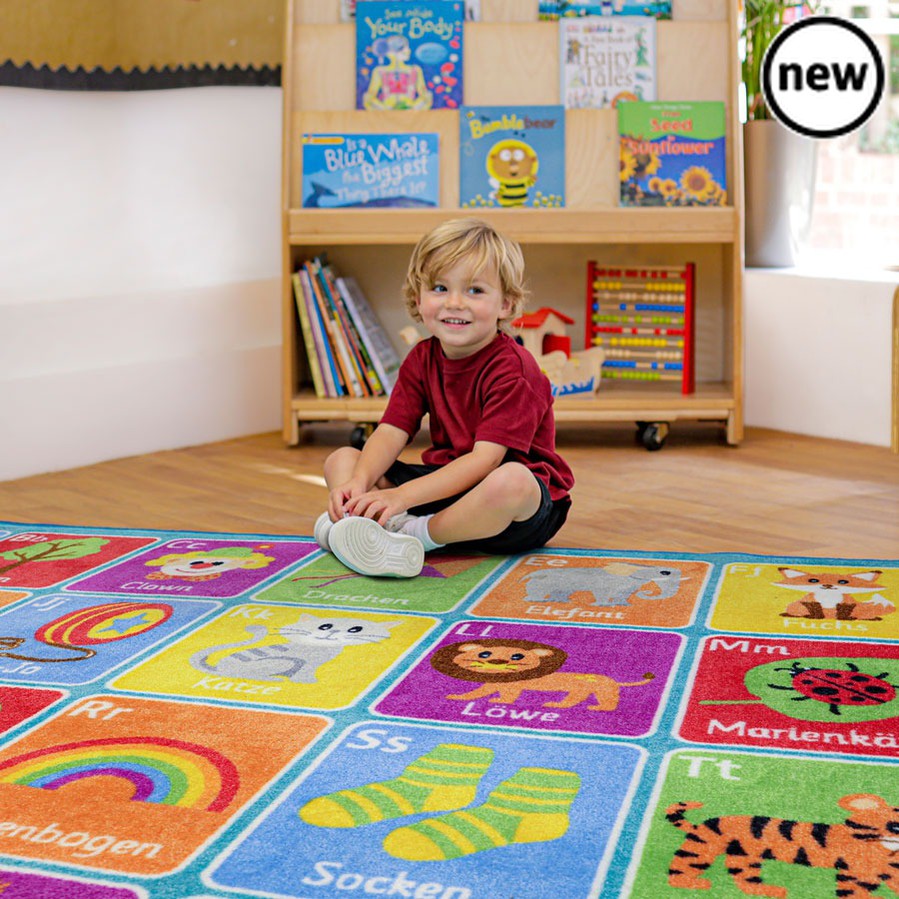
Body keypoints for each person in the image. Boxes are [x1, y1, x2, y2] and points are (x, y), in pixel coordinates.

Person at [315, 218, 574, 578]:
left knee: (510, 480)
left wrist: (401, 499)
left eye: (475, 291)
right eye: (440, 288)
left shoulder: (514, 370)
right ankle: (360, 520)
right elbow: (391, 430)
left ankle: (414, 536)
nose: (455, 303)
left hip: (514, 510)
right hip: (446, 485)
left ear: (506, 305)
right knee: (343, 459)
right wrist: (357, 484)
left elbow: (485, 462)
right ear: (418, 299)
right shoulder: (422, 357)